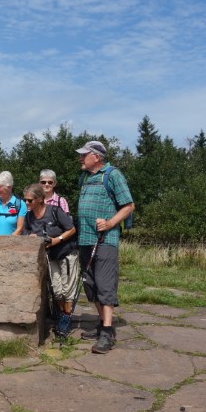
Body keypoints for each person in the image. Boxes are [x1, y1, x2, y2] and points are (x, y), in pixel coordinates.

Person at [76, 140, 134, 354]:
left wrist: (110, 223)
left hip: (105, 240)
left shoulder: (113, 175)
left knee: (104, 284)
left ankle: (107, 333)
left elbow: (129, 205)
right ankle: (102, 324)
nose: (81, 158)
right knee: (90, 285)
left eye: (84, 155)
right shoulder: (85, 177)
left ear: (96, 157)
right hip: (85, 239)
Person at [22, 183, 79, 337]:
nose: (26, 203)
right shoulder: (29, 216)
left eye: (30, 200)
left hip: (66, 253)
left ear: (40, 199)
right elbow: (25, 233)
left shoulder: (55, 211)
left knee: (68, 289)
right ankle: (61, 315)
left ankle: (66, 318)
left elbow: (72, 229)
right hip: (50, 256)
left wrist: (57, 239)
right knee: (57, 289)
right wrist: (30, 237)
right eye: (25, 200)